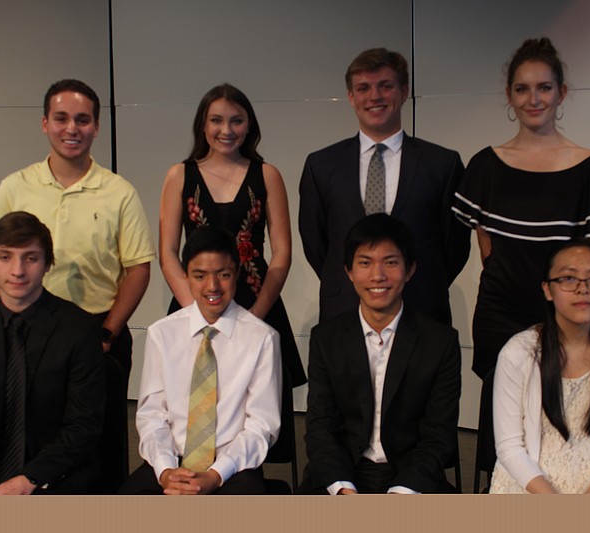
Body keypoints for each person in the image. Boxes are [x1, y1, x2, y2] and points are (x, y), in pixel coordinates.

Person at [0, 79, 156, 490]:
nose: (71, 128)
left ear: (96, 127)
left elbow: (138, 269)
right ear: (45, 123)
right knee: (30, 445)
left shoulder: (119, 192)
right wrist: (11, 325)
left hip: (99, 334)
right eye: (61, 118)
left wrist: (108, 333)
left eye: (82, 119)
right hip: (28, 332)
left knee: (101, 446)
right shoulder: (15, 186)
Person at [451, 38, 590, 380]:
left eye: (544, 88)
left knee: (566, 421)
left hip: (567, 317)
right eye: (522, 89)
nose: (533, 99)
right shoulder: (485, 166)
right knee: (500, 423)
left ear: (561, 92)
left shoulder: (589, 169)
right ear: (509, 95)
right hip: (499, 315)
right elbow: (486, 248)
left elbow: (586, 261)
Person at [0, 212, 105, 495]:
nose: (17, 271)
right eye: (4, 257)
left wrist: (29, 480)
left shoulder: (80, 330)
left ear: (48, 263)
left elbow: (83, 426)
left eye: (31, 258)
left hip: (57, 470)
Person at [299, 47, 470, 326]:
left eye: (385, 86)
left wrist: (411, 279)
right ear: (351, 97)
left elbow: (455, 248)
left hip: (422, 310)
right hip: (344, 312)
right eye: (363, 88)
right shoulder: (321, 165)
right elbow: (316, 246)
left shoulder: (443, 164)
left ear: (404, 92)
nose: (374, 96)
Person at [159, 83, 306, 391]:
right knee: (193, 398)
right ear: (202, 123)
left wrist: (256, 316)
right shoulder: (178, 175)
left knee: (261, 400)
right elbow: (168, 252)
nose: (226, 129)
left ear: (249, 124)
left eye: (236, 120)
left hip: (257, 300)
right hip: (195, 302)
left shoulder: (268, 175)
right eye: (216, 120)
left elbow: (282, 253)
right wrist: (194, 308)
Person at [301, 214, 461, 494]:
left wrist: (402, 491)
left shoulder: (440, 342)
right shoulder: (326, 339)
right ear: (349, 271)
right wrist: (343, 489)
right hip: (343, 471)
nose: (378, 276)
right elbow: (320, 427)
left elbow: (439, 436)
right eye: (365, 263)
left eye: (390, 262)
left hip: (410, 474)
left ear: (410, 269)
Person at [120, 226, 282, 495]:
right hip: (173, 462)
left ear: (237, 274)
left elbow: (261, 426)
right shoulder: (162, 333)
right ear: (186, 276)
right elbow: (152, 415)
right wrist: (166, 471)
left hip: (233, 467)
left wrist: (216, 475)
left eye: (224, 275)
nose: (212, 286)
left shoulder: (262, 339)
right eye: (200, 275)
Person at [491, 239, 590, 494]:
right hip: (528, 481)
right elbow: (509, 447)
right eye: (569, 279)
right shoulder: (519, 353)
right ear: (548, 290)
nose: (583, 289)